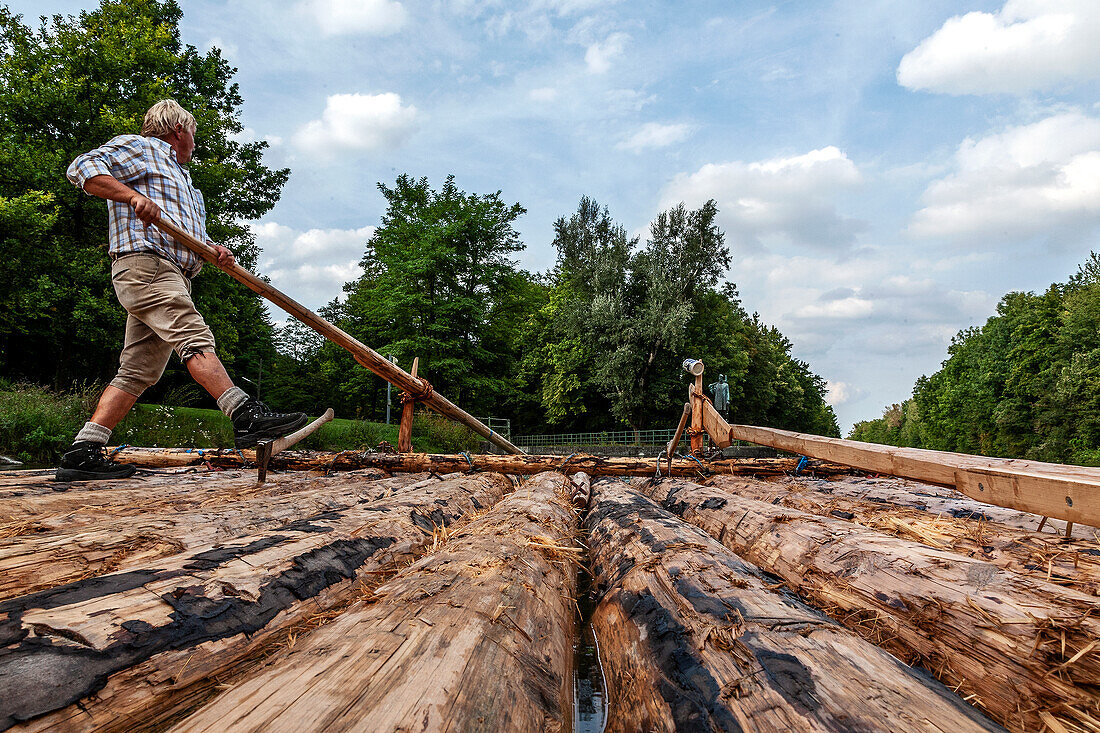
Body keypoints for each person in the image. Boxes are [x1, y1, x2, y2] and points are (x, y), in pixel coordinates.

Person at [56, 100, 307, 481]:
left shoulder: (186, 185)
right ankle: (244, 414)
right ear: (178, 130)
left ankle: (83, 449)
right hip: (147, 263)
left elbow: (191, 237)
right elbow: (83, 168)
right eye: (193, 134)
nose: (195, 143)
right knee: (193, 334)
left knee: (138, 370)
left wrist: (212, 250)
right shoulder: (143, 149)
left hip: (173, 269)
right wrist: (130, 196)